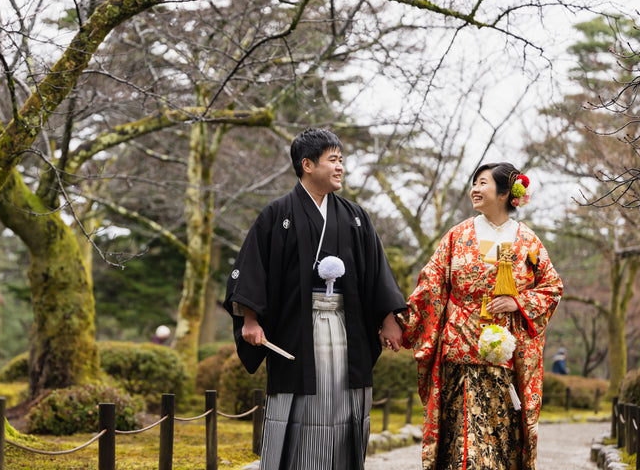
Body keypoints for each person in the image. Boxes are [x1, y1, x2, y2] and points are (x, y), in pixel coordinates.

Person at [224, 127, 408, 470]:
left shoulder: (355, 217)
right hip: (296, 328)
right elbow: (252, 269)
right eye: (333, 160)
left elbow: (376, 271)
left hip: (346, 328)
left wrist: (388, 320)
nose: (340, 167)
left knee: (344, 403)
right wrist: (250, 319)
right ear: (307, 165)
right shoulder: (277, 214)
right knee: (302, 404)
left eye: (341, 160)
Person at [399, 162, 563, 470]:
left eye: (483, 183)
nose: (475, 188)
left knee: (503, 438)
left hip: (505, 356)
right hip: (459, 349)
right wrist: (400, 322)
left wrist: (519, 301)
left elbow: (552, 288)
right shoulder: (457, 236)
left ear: (505, 193)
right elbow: (431, 283)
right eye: (474, 182)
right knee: (460, 440)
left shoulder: (528, 242)